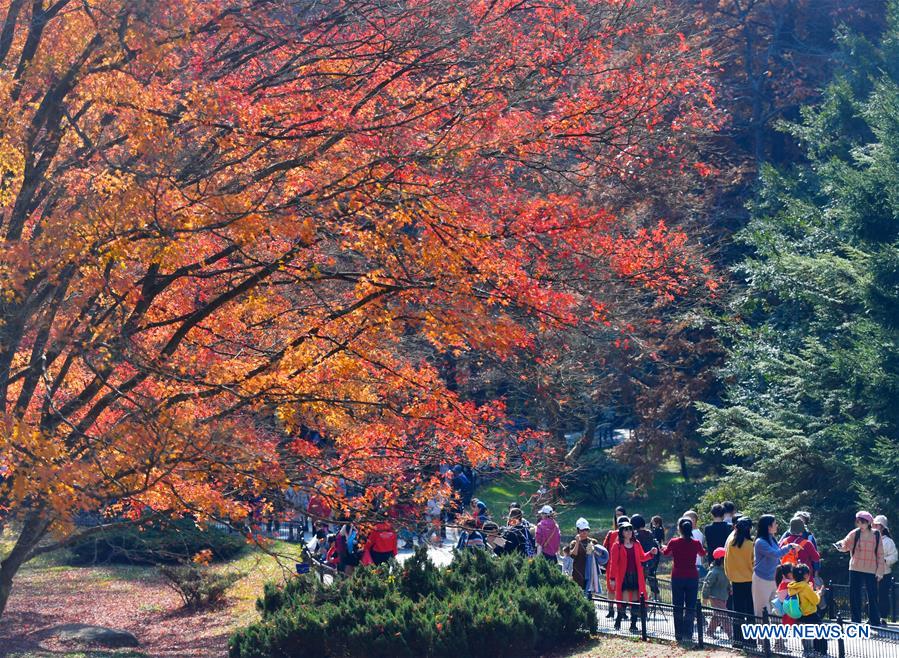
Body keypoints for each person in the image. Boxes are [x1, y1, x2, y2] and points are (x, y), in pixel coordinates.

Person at [834, 510, 886, 626]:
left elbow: (880, 554)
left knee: (872, 595)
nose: (860, 525)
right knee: (854, 595)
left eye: (862, 522)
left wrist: (880, 571)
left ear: (868, 522)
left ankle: (875, 621)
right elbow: (845, 543)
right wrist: (840, 545)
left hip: (871, 569)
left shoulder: (876, 534)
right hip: (855, 568)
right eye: (858, 522)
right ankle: (856, 621)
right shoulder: (855, 533)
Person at [662, 517, 706, 643]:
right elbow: (702, 553)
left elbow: (666, 553)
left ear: (679, 528)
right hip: (692, 576)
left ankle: (678, 634)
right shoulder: (696, 543)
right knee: (690, 606)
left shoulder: (674, 542)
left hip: (677, 576)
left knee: (678, 605)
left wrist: (662, 547)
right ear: (691, 528)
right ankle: (688, 633)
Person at [608, 522, 658, 632]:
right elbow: (613, 563)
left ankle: (633, 624)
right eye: (626, 529)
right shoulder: (617, 546)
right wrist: (612, 579)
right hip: (623, 577)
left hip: (636, 576)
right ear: (621, 532)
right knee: (624, 601)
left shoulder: (636, 543)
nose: (628, 532)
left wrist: (651, 553)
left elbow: (642, 557)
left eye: (630, 529)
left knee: (636, 601)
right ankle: (618, 620)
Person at [753, 515, 797, 619]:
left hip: (774, 578)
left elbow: (777, 557)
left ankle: (773, 633)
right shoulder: (760, 542)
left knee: (775, 608)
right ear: (768, 527)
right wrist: (789, 546)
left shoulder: (772, 539)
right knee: (761, 610)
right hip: (762, 579)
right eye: (775, 523)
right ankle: (761, 634)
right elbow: (775, 554)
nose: (777, 525)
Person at [724, 515, 754, 647]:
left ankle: (738, 640)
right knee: (750, 612)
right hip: (750, 581)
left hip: (736, 581)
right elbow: (754, 564)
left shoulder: (731, 544)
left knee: (738, 612)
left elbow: (726, 563)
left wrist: (730, 577)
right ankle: (751, 641)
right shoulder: (750, 544)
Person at [788, 564, 827, 657]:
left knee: (805, 635)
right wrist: (819, 593)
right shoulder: (804, 587)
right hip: (810, 614)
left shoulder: (792, 587)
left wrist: (810, 589)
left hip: (799, 614)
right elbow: (815, 600)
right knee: (820, 631)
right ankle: (821, 652)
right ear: (806, 575)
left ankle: (807, 651)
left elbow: (802, 597)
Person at [570, 518, 609, 598]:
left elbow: (599, 555)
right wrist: (577, 542)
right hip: (578, 572)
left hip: (590, 572)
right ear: (578, 531)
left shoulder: (592, 542)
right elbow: (573, 555)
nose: (584, 532)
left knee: (590, 595)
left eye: (586, 530)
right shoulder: (574, 543)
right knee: (578, 594)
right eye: (582, 530)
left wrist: (593, 549)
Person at [602, 514, 629, 618]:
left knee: (611, 589)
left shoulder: (611, 534)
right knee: (623, 590)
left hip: (611, 564)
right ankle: (622, 612)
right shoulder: (629, 536)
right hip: (624, 566)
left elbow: (604, 548)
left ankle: (611, 610)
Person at [702, 547, 731, 639]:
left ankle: (709, 632)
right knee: (724, 615)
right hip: (715, 597)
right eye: (725, 558)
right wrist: (705, 597)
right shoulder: (714, 572)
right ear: (720, 560)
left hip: (723, 597)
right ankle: (731, 635)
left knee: (717, 616)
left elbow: (726, 582)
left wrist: (729, 588)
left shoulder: (725, 570)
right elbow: (707, 584)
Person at [873, 515, 897, 622]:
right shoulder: (870, 539)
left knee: (883, 596)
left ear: (882, 527)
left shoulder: (888, 541)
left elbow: (894, 556)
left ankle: (883, 617)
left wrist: (885, 560)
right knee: (871, 595)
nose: (874, 526)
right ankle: (872, 616)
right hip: (871, 571)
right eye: (874, 524)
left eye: (877, 525)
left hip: (885, 573)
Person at [632, 514, 661, 600]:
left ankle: (641, 601)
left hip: (639, 564)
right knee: (652, 579)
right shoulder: (650, 534)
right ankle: (656, 597)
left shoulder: (635, 537)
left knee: (639, 585)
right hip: (651, 562)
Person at [684, 510, 707, 577]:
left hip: (693, 565)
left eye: (685, 519)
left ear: (693, 520)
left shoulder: (694, 533)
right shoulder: (697, 532)